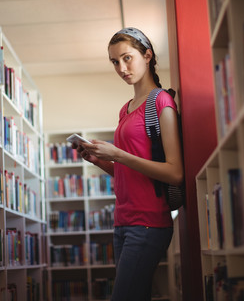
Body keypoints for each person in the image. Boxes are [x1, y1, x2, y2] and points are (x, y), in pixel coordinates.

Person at [73, 27, 183, 300]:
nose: (121, 67)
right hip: (122, 221)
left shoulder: (161, 101)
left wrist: (119, 154)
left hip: (148, 222)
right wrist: (100, 160)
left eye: (127, 58)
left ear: (147, 56)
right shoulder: (127, 108)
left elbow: (175, 173)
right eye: (114, 61)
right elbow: (130, 170)